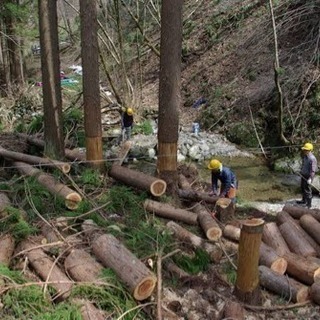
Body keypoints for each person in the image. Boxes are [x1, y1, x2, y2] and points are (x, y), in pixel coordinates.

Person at [296, 142, 317, 209]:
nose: (304, 151)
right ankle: (304, 200)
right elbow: (304, 165)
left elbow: (313, 170)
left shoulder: (312, 159)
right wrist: (300, 171)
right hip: (303, 175)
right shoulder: (305, 157)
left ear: (309, 150)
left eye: (305, 150)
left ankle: (309, 204)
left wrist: (310, 179)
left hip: (308, 177)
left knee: (307, 190)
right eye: (304, 149)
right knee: (302, 187)